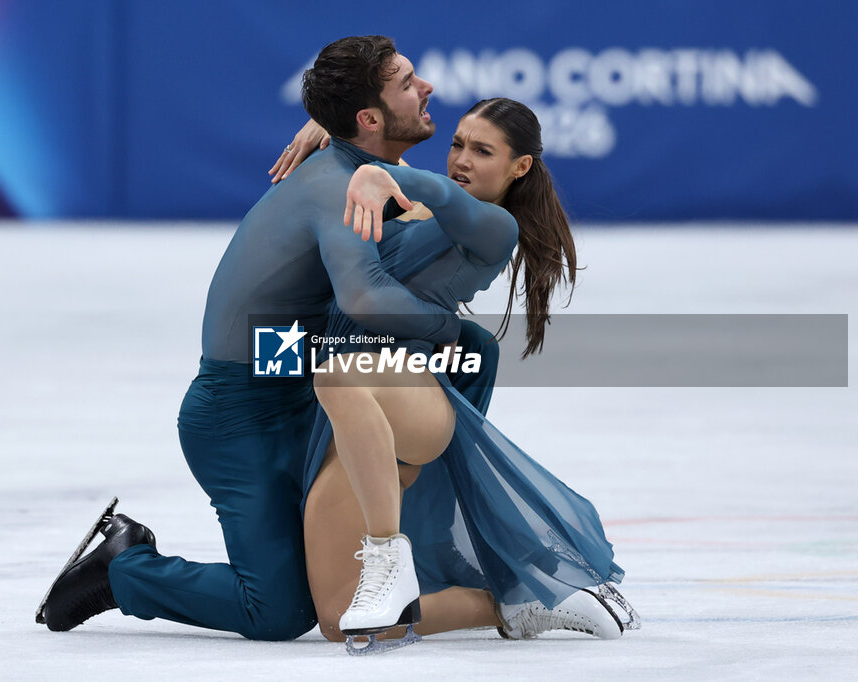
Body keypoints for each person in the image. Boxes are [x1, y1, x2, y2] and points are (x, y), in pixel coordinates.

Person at [38, 36, 502, 641]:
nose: (427, 88)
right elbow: (363, 298)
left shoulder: (361, 170)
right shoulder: (337, 186)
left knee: (472, 351)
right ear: (370, 117)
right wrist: (440, 329)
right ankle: (124, 567)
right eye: (408, 82)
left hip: (294, 382)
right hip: (239, 413)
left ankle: (415, 543)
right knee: (280, 611)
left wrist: (329, 126)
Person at [296, 98, 636, 652]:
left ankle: (388, 553)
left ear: (519, 167)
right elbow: (374, 158)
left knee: (337, 372)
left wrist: (384, 175)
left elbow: (441, 195)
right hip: (347, 413)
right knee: (338, 621)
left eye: (483, 150)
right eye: (457, 144)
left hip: (412, 397)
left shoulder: (493, 226)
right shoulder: (412, 196)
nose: (462, 159)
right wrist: (333, 132)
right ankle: (519, 604)